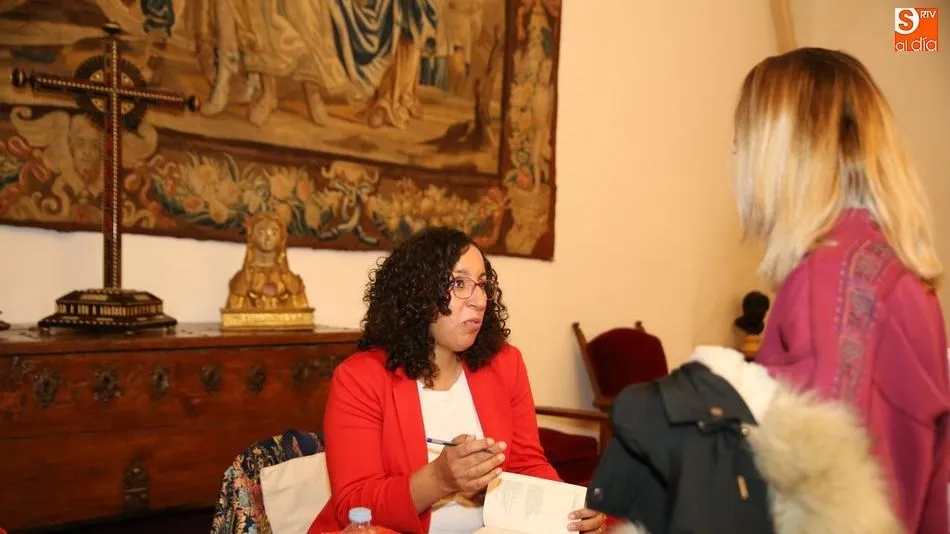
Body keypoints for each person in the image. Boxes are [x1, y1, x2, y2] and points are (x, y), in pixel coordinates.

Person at [732, 47, 949, 533]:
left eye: (741, 143)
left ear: (781, 150)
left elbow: (820, 508)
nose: (736, 159)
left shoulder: (828, 281)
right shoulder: (888, 266)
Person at [308, 227, 606, 534]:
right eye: (459, 283)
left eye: (482, 285)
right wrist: (440, 479)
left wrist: (570, 509)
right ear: (419, 294)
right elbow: (354, 504)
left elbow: (528, 465)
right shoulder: (360, 378)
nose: (478, 300)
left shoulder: (505, 364)